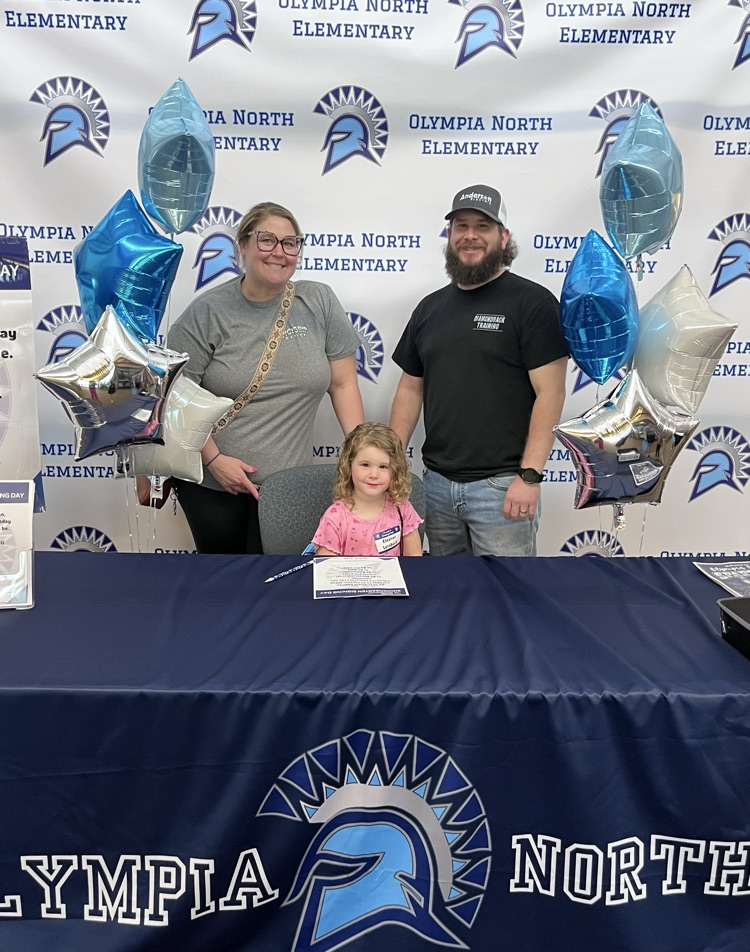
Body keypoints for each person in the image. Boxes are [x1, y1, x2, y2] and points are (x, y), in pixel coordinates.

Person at [167, 201, 365, 554]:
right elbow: (175, 395)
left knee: (285, 583)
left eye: (290, 243)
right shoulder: (208, 311)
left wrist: (361, 453)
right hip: (214, 487)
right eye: (267, 240)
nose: (279, 252)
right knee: (224, 582)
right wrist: (214, 460)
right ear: (242, 245)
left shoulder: (318, 301)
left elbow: (343, 383)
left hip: (290, 491)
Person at [389, 184, 568, 556]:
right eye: (461, 226)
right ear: (450, 235)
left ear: (504, 236)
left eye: (483, 226)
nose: (470, 235)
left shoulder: (533, 303)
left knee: (504, 591)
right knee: (447, 588)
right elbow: (410, 388)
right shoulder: (429, 309)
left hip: (503, 488)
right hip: (436, 486)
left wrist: (530, 475)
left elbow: (550, 392)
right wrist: (390, 460)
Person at [313, 422, 423, 556]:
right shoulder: (335, 518)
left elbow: (414, 560)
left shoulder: (402, 509)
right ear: (348, 466)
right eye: (365, 465)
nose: (374, 475)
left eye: (383, 467)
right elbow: (327, 566)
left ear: (396, 470)